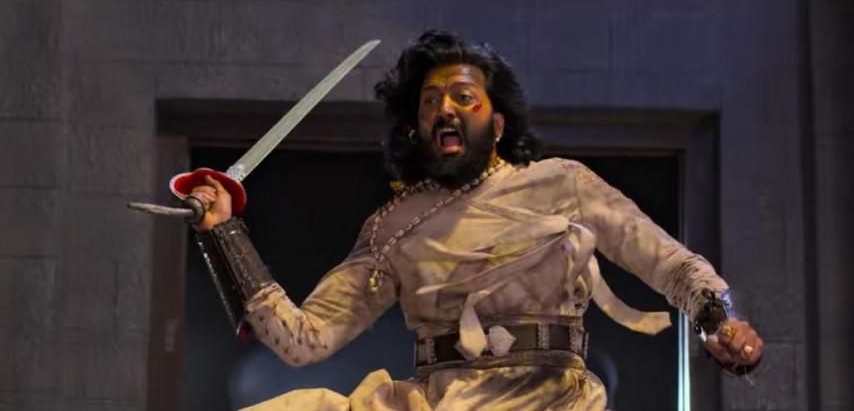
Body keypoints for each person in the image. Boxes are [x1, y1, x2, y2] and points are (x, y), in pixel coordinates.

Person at [188, 30, 764, 410]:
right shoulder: (393, 227)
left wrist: (716, 320)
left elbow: (669, 264)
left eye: (464, 97)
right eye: (431, 101)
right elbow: (302, 341)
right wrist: (224, 233)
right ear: (415, 128)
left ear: (498, 122)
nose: (445, 108)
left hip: (553, 401)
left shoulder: (562, 184)